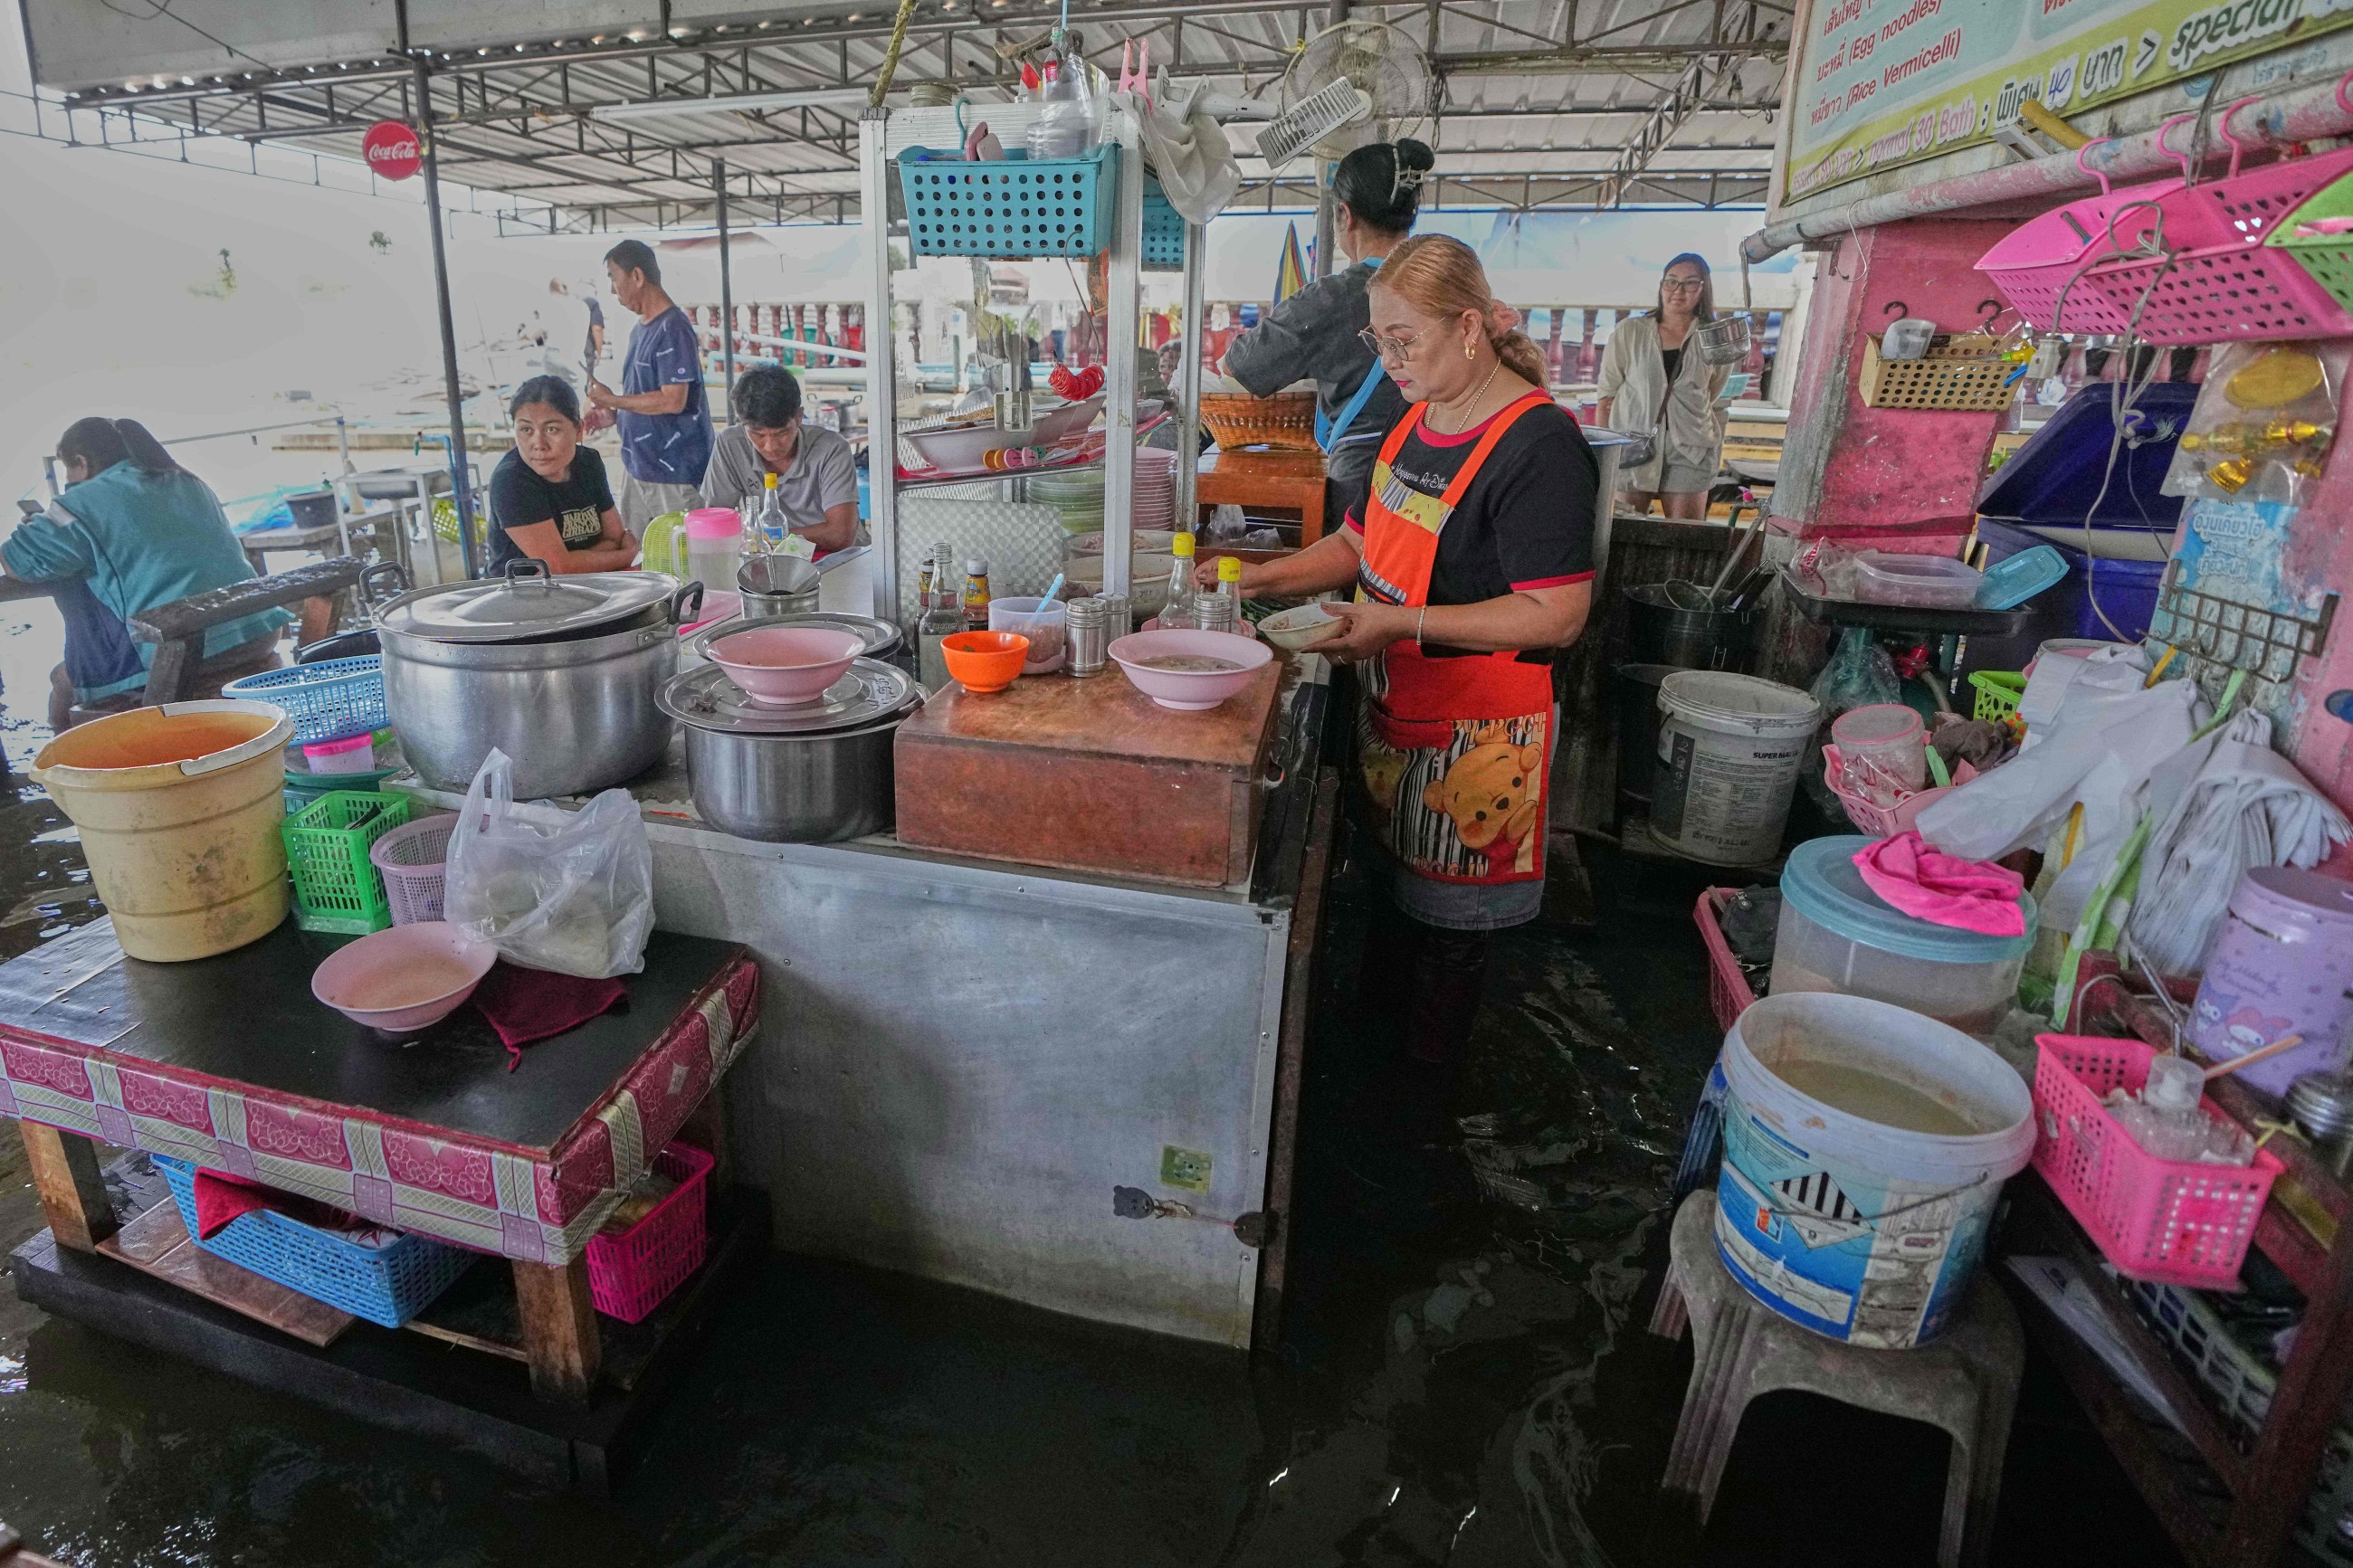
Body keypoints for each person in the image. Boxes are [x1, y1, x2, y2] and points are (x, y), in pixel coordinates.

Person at [1211, 233, 1598, 1078]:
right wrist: (1251, 578)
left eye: (1403, 340)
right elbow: (1358, 543)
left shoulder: (1538, 445)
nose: (1389, 362)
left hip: (1479, 738)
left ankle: (1425, 1108)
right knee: (1392, 913)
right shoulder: (1418, 420)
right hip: (1396, 714)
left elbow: (1557, 614)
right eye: (1377, 341)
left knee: (1447, 944)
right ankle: (1375, 1074)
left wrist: (1397, 624)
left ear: (1469, 327)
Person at [4, 418, 288, 731]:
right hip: (256, 629)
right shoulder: (186, 479)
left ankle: (63, 757)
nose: (69, 479)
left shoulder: (81, 502)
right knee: (69, 676)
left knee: (62, 681)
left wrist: (37, 524)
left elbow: (18, 563)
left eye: (68, 469)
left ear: (81, 462)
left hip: (189, 650)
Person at [1221, 139, 1436, 536]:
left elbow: (1239, 366)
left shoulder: (1330, 299)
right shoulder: (1446, 287)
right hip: (1444, 474)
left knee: (1359, 570)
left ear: (1345, 215)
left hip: (1364, 483)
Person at [588, 239, 712, 530]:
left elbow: (673, 400)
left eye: (614, 278)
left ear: (637, 276)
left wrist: (613, 400)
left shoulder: (673, 327)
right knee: (639, 550)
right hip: (639, 466)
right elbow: (645, 396)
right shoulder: (640, 329)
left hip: (674, 471)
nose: (612, 290)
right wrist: (614, 414)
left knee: (683, 552)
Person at [1596, 252, 1730, 519]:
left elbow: (1712, 392)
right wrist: (1603, 457)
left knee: (1685, 535)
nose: (1678, 291)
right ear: (1661, 286)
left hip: (1691, 448)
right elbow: (1606, 396)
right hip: (1632, 444)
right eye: (1671, 281)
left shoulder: (1714, 337)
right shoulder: (1630, 331)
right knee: (1625, 531)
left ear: (1703, 288)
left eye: (1690, 283)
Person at [700, 366, 862, 554]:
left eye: (781, 433)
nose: (771, 446)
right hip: (771, 557)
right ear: (742, 424)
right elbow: (715, 524)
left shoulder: (831, 449)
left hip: (835, 558)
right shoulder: (731, 445)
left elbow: (840, 535)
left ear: (799, 417)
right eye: (758, 435)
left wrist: (762, 538)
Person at [486, 376, 638, 575]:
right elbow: (557, 566)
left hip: (587, 584)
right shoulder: (511, 480)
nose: (539, 444)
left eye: (552, 429)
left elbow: (615, 538)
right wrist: (625, 555)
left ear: (579, 430)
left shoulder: (588, 463)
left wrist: (571, 564)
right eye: (526, 429)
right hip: (523, 592)